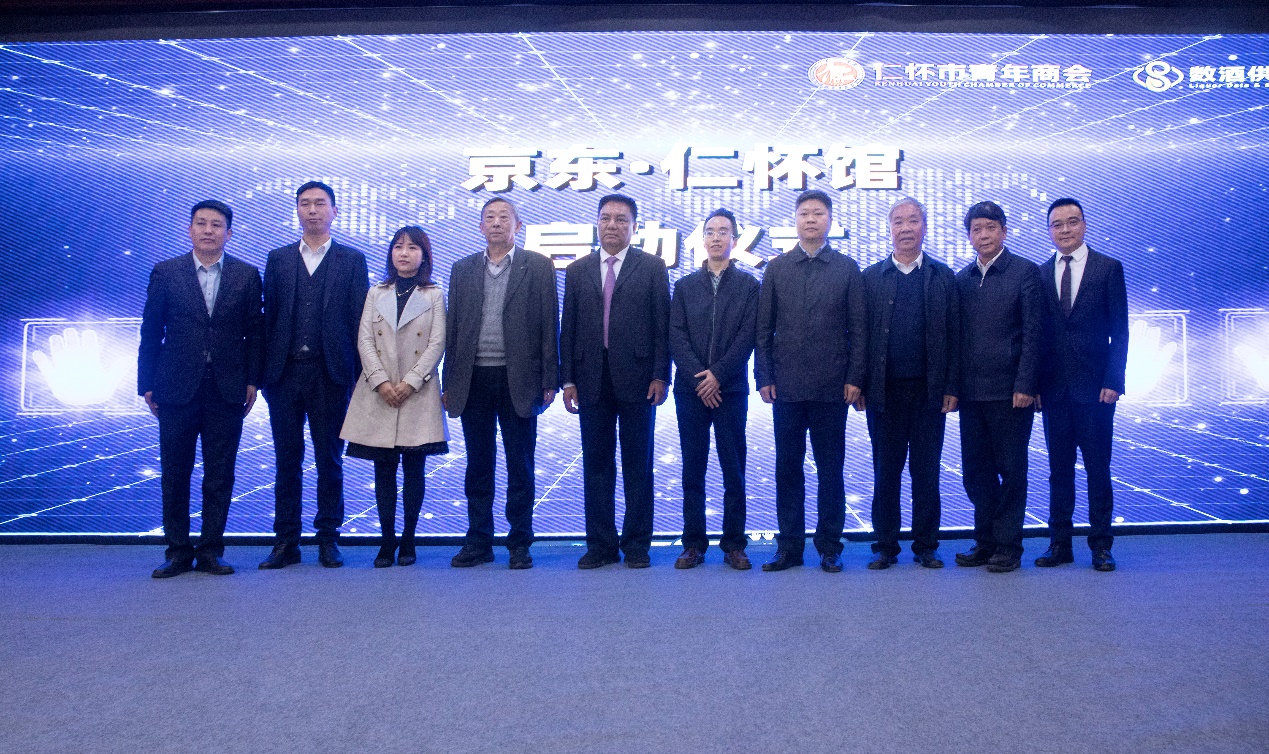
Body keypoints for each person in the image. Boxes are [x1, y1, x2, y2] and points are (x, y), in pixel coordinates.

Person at [138, 200, 264, 578]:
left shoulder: (246, 275)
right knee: (175, 473)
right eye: (201, 223)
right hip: (175, 386)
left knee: (220, 474)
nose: (208, 230)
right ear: (190, 229)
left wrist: (252, 381)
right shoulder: (166, 272)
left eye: (216, 225)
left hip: (227, 387)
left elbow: (255, 334)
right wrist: (146, 384)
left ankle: (211, 550)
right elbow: (150, 332)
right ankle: (178, 550)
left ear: (229, 232)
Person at [442, 197, 559, 570]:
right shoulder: (462, 269)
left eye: (504, 217)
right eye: (489, 217)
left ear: (518, 225)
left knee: (520, 464)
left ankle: (519, 543)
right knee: (478, 464)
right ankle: (478, 541)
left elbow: (549, 324)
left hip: (519, 378)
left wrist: (550, 378)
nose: (496, 223)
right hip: (473, 377)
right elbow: (453, 329)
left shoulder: (537, 266)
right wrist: (448, 381)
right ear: (480, 227)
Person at [755, 189, 868, 573]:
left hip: (831, 387)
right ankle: (788, 547)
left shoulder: (847, 268)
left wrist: (855, 377)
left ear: (829, 220)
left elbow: (859, 330)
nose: (811, 219)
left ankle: (829, 546)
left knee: (830, 469)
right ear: (796, 220)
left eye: (818, 213)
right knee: (788, 469)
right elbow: (763, 328)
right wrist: (764, 376)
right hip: (786, 387)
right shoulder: (777, 268)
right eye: (804, 213)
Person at [260, 181, 369, 569]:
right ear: (297, 210)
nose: (312, 210)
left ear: (334, 211)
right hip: (284, 375)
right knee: (286, 461)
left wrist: (360, 377)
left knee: (330, 461)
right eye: (305, 203)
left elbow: (359, 322)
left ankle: (328, 538)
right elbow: (268, 320)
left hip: (331, 374)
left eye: (320, 203)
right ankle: (285, 541)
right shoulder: (278, 259)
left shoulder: (351, 260)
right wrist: (263, 376)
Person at [560, 193, 671, 569]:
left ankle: (637, 545)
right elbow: (568, 328)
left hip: (640, 380)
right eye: (605, 218)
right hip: (590, 378)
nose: (612, 225)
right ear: (596, 223)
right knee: (596, 465)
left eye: (621, 219)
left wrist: (661, 374)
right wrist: (567, 379)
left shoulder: (652, 267)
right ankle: (601, 545)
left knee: (638, 465)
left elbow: (662, 325)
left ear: (634, 227)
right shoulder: (577, 270)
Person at [857, 198, 959, 570]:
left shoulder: (943, 276)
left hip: (929, 392)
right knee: (886, 471)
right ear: (890, 228)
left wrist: (951, 386)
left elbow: (956, 336)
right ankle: (885, 545)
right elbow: (860, 335)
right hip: (883, 393)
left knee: (926, 471)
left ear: (924, 227)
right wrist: (860, 383)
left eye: (912, 221)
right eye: (898, 221)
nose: (905, 228)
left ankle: (926, 545)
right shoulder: (871, 277)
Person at [340, 227, 448, 568]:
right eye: (398, 247)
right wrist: (381, 381)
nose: (404, 253)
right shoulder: (376, 291)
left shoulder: (434, 294)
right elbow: (364, 340)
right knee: (383, 470)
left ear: (424, 255)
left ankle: (409, 540)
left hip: (417, 392)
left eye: (412, 247)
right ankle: (386, 541)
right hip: (380, 392)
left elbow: (437, 343)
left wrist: (411, 382)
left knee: (414, 470)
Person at [1036, 198, 1129, 572]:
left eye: (1072, 222)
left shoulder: (1108, 268)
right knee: (1058, 471)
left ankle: (1101, 546)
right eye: (1057, 224)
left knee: (1097, 469)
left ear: (1084, 225)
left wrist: (1114, 380)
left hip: (1096, 390)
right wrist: (1036, 385)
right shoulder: (1040, 273)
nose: (1065, 229)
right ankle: (1059, 544)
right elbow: (1037, 336)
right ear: (1049, 231)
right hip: (1054, 391)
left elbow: (1120, 330)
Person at [953, 200, 1043, 573]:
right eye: (977, 229)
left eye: (991, 227)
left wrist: (1026, 384)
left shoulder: (1025, 272)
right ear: (969, 236)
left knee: (1012, 471)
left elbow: (1034, 334)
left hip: (1011, 394)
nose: (984, 235)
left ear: (1004, 231)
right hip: (972, 394)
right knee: (977, 474)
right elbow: (955, 339)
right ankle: (986, 540)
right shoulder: (962, 279)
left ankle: (1008, 546)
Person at [668, 208, 759, 570]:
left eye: (723, 232)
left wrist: (718, 375)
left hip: (730, 390)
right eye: (710, 231)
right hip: (690, 392)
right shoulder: (684, 286)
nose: (716, 237)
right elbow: (676, 336)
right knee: (693, 469)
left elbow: (747, 336)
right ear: (702, 239)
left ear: (734, 240)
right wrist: (700, 379)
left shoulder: (749, 286)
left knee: (733, 469)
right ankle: (693, 544)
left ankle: (734, 544)